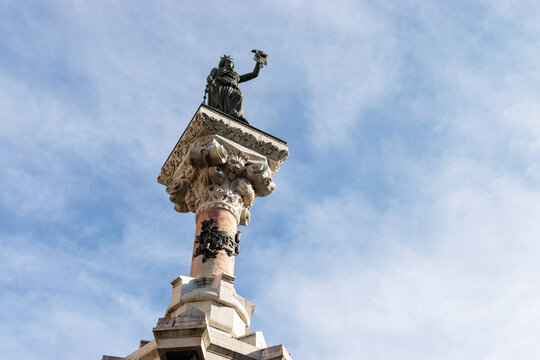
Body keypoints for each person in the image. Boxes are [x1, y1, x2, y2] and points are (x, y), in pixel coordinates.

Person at [206, 51, 267, 123]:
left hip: (233, 89)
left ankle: (235, 114)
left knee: (239, 95)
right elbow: (210, 76)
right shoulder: (217, 70)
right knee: (219, 100)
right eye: (228, 62)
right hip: (220, 87)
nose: (231, 64)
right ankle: (219, 109)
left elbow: (254, 74)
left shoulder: (236, 76)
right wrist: (210, 80)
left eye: (232, 63)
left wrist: (259, 61)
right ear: (223, 63)